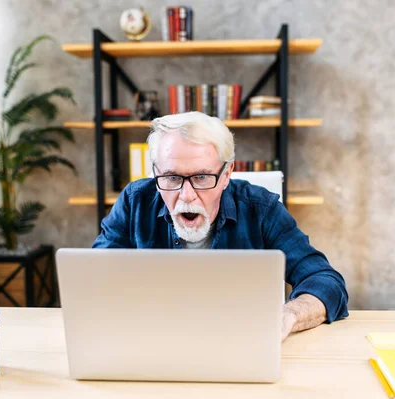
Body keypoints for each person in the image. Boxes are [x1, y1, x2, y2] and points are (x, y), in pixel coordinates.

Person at [93, 111, 349, 340]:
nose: (186, 195)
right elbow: (95, 278)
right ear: (156, 171)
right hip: (153, 342)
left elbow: (325, 281)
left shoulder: (261, 209)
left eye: (202, 177)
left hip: (239, 344)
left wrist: (290, 314)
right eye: (171, 177)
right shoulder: (134, 201)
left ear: (227, 175)